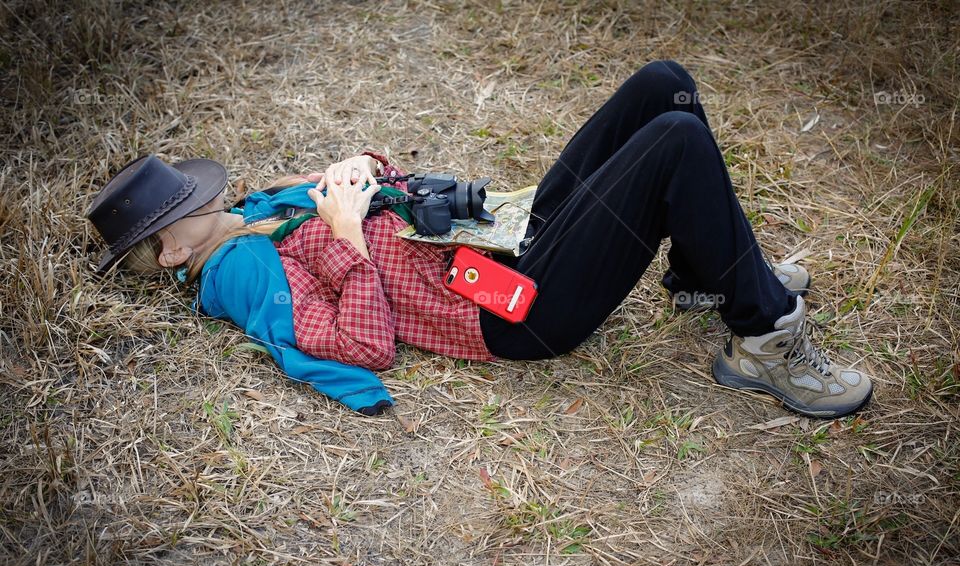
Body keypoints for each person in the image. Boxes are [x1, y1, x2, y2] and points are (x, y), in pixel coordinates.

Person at [87, 60, 872, 418]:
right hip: (511, 308)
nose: (195, 195)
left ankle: (714, 275)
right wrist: (349, 240)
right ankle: (764, 340)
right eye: (172, 213)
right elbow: (360, 346)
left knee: (662, 85)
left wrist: (367, 167)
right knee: (674, 140)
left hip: (499, 239)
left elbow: (381, 192)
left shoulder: (259, 206)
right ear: (174, 253)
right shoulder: (237, 277)